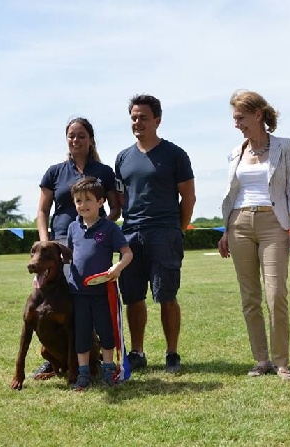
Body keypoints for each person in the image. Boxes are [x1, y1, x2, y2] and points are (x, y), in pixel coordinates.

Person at [217, 90, 290, 381]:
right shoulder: (235, 152)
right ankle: (261, 360)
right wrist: (225, 231)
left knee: (275, 294)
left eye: (240, 117)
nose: (236, 124)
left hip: (274, 223)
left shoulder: (286, 147)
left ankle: (282, 362)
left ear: (257, 115)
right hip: (238, 224)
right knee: (249, 298)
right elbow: (232, 193)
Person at [31, 116, 121, 378]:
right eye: (71, 135)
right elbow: (42, 209)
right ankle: (54, 357)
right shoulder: (54, 172)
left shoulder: (104, 172)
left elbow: (115, 207)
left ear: (90, 139)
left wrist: (100, 228)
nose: (76, 139)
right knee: (48, 306)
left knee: (88, 303)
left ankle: (92, 360)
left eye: (81, 135)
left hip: (92, 246)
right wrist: (44, 242)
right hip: (57, 246)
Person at [115, 94, 196, 373]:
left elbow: (189, 198)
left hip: (165, 233)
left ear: (157, 120)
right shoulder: (123, 158)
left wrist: (177, 229)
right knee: (133, 297)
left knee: (166, 296)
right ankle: (137, 352)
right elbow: (121, 200)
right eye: (134, 117)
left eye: (144, 117)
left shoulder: (175, 154)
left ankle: (172, 353)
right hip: (131, 235)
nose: (138, 122)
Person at [66, 176, 133, 390]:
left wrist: (117, 268)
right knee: (82, 333)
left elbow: (127, 254)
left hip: (104, 292)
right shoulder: (72, 228)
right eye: (78, 201)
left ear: (101, 201)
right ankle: (83, 373)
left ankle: (108, 369)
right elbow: (67, 257)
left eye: (88, 200)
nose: (82, 205)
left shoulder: (110, 228)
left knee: (106, 332)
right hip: (78, 292)